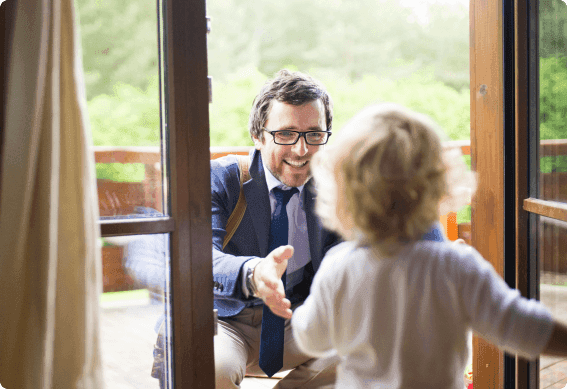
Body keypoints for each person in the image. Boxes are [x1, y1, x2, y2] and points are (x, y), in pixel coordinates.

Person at [291, 103, 567, 388]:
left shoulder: (339, 265)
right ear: (439, 182)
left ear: (343, 194)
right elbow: (520, 326)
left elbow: (311, 338)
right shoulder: (456, 265)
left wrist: (295, 311)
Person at [211, 69, 344, 388]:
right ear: (257, 136)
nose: (302, 150)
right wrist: (255, 273)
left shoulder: (336, 188)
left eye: (314, 134)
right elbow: (199, 257)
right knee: (212, 369)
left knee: (369, 346)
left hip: (299, 322)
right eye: (285, 134)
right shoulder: (224, 178)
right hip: (225, 320)